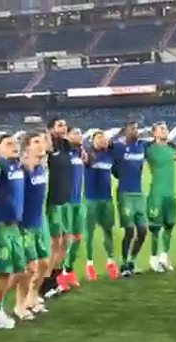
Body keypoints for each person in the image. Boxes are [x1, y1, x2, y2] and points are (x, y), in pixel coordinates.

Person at [0, 134, 25, 327]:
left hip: (15, 227)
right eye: (9, 144)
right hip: (1, 226)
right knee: (4, 273)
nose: (14, 147)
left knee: (20, 270)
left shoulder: (15, 165)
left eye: (15, 144)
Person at [110, 122, 149, 277]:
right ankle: (124, 264)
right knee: (130, 230)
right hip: (125, 194)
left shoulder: (141, 146)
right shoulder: (118, 147)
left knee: (143, 231)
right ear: (125, 131)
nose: (136, 131)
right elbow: (109, 148)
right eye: (132, 129)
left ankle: (132, 261)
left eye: (137, 128)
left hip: (139, 194)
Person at [18, 132, 50, 315]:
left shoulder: (41, 167)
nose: (41, 144)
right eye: (36, 142)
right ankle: (20, 304)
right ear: (27, 147)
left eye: (42, 141)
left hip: (39, 221)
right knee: (29, 268)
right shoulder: (21, 170)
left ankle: (33, 295)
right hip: (25, 225)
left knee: (44, 263)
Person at [84, 131, 120, 280]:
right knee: (89, 234)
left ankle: (110, 262)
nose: (103, 140)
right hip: (90, 199)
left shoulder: (109, 156)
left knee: (108, 231)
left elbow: (117, 173)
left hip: (107, 199)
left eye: (104, 138)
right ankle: (89, 264)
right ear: (92, 141)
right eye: (99, 138)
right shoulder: (87, 155)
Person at [44, 119, 74, 293]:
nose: (63, 128)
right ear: (51, 129)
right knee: (55, 243)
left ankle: (55, 280)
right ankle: (45, 283)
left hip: (65, 199)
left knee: (66, 241)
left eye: (64, 125)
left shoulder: (66, 145)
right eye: (59, 125)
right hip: (53, 200)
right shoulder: (49, 147)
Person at [145, 122, 176, 272]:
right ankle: (153, 258)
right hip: (156, 194)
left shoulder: (172, 148)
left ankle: (164, 256)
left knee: (170, 224)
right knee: (155, 227)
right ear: (154, 133)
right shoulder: (149, 149)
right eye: (162, 129)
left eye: (166, 128)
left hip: (170, 194)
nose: (165, 131)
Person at [59, 128, 87, 285]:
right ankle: (57, 276)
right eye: (75, 133)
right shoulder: (62, 154)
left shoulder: (79, 154)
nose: (80, 135)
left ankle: (68, 270)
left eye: (80, 133)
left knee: (77, 238)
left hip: (77, 201)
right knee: (64, 240)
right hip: (65, 202)